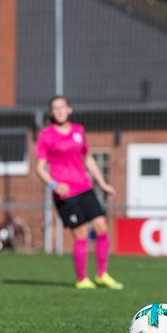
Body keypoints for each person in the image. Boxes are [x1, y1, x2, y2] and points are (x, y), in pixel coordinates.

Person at [35, 95, 123, 290]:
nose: (59, 111)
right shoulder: (46, 135)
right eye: (55, 108)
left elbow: (88, 159)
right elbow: (40, 168)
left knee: (102, 227)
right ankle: (82, 279)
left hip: (85, 188)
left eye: (62, 107)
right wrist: (53, 185)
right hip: (66, 195)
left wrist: (103, 184)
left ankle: (102, 275)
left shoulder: (78, 131)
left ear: (69, 109)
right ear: (51, 113)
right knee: (81, 234)